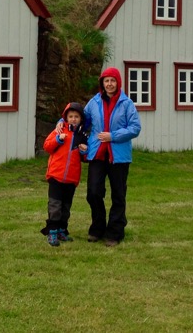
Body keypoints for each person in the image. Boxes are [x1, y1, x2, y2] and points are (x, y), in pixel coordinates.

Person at [83, 67, 140, 247]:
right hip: (97, 154)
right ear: (102, 83)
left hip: (119, 157)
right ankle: (97, 228)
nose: (109, 84)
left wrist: (113, 136)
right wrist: (62, 123)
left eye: (112, 81)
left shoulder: (127, 104)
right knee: (93, 192)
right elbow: (79, 121)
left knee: (118, 195)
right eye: (106, 80)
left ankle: (114, 233)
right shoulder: (93, 102)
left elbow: (135, 128)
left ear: (118, 83)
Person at [41, 102, 89, 247]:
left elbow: (86, 158)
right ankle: (52, 232)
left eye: (76, 116)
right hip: (56, 175)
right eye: (70, 116)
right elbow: (47, 146)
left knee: (66, 207)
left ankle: (62, 230)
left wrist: (84, 151)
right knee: (55, 206)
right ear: (65, 118)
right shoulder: (59, 131)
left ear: (81, 119)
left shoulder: (82, 136)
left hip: (71, 178)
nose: (73, 119)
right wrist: (57, 140)